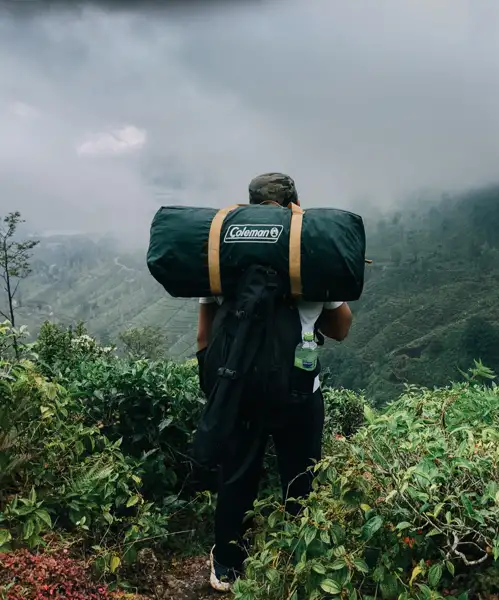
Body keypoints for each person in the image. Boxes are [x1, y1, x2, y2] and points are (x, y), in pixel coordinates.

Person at [195, 173, 353, 592]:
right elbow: (341, 329)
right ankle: (298, 563)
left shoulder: (225, 253)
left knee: (237, 477)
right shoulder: (310, 251)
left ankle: (227, 565)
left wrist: (214, 387)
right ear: (293, 205)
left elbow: (204, 337)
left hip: (238, 389)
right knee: (300, 479)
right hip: (300, 390)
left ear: (248, 204)